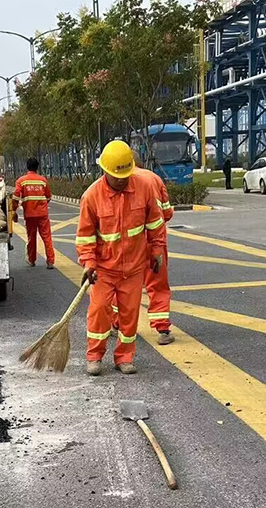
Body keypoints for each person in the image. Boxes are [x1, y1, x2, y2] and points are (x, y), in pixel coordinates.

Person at [76, 140, 167, 376]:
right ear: (105, 170)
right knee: (99, 312)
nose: (122, 180)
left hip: (134, 268)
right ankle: (94, 356)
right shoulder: (92, 197)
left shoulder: (144, 187)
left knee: (129, 316)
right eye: (117, 177)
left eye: (126, 175)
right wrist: (88, 263)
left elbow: (156, 224)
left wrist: (156, 251)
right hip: (104, 269)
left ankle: (124, 357)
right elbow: (85, 236)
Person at [111, 152, 175, 346]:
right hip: (155, 241)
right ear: (139, 162)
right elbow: (167, 213)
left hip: (130, 244)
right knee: (158, 284)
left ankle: (117, 324)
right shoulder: (154, 178)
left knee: (123, 285)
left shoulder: (119, 179)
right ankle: (162, 329)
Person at [12, 158, 56, 270]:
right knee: (47, 237)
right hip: (42, 213)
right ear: (37, 167)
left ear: (27, 167)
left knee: (31, 237)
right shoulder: (43, 180)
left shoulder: (21, 181)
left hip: (29, 214)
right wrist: (42, 204)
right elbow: (49, 196)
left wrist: (14, 210)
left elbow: (16, 196)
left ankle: (32, 260)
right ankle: (50, 261)